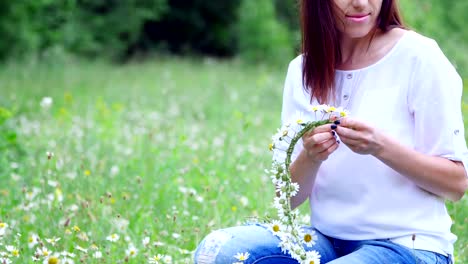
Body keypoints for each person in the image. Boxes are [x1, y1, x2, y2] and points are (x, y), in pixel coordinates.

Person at [194, 0, 468, 263]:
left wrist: (380, 146)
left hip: (408, 245)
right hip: (326, 241)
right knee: (218, 252)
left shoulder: (419, 56)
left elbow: (456, 184)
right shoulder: (302, 70)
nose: (361, 3)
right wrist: (311, 157)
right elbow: (288, 199)